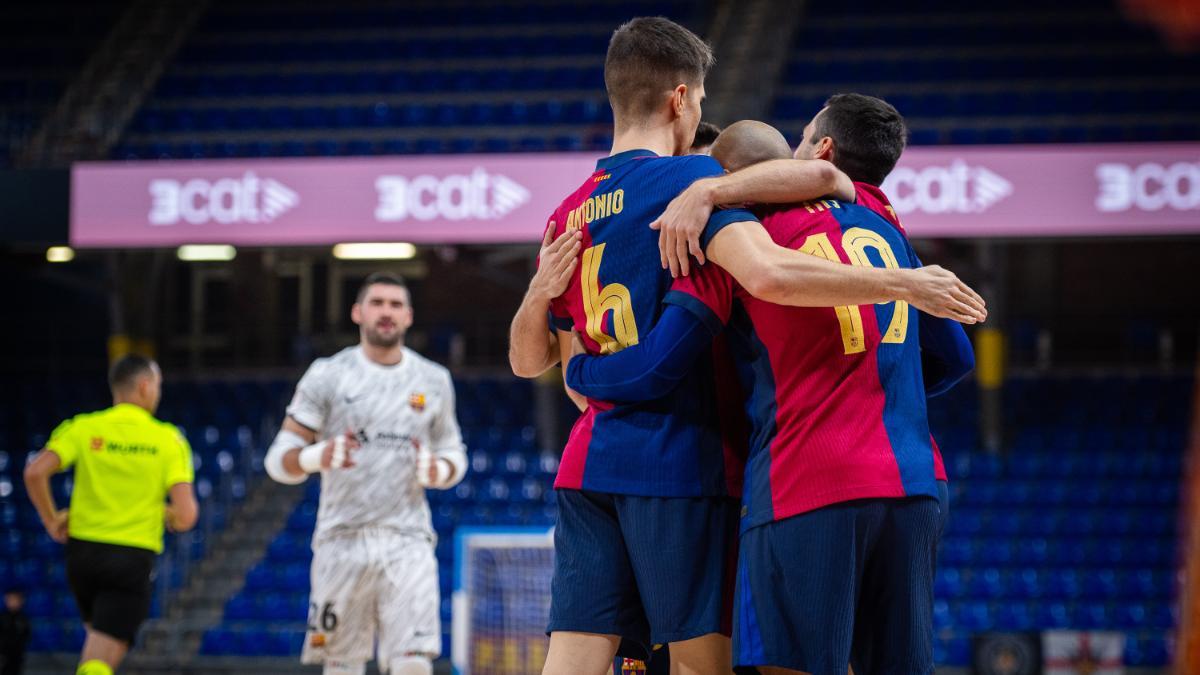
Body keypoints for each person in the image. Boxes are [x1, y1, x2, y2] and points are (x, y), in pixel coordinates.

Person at [507, 17, 985, 675]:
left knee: (576, 657)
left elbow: (535, 364)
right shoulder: (694, 193)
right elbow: (813, 207)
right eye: (700, 99)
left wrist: (562, 336)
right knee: (710, 664)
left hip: (593, 457)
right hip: (690, 460)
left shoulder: (566, 212)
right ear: (680, 97)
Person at [264, 272, 467, 675]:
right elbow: (277, 460)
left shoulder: (434, 379)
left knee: (413, 662)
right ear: (358, 312)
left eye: (395, 305)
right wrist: (314, 456)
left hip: (407, 538)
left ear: (409, 316)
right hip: (342, 537)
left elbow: (454, 454)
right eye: (377, 303)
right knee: (341, 664)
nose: (386, 312)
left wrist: (437, 469)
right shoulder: (328, 374)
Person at [23, 354, 198, 675]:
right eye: (157, 385)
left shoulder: (83, 427)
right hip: (130, 558)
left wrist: (51, 520)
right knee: (100, 660)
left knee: (98, 643)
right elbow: (187, 516)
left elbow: (35, 473)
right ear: (145, 387)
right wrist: (169, 514)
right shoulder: (168, 439)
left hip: (82, 556)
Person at [0, 590, 30, 675]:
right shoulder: (2, 617)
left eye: (15, 600)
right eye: (11, 600)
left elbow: (26, 635)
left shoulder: (23, 618)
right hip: (3, 654)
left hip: (17, 654)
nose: (13, 602)